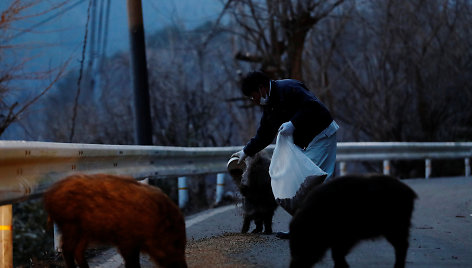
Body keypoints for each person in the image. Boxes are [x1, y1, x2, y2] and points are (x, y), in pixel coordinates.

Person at [231, 71, 339, 238]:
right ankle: (308, 225)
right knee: (297, 183)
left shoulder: (289, 88)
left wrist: (293, 123)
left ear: (261, 88)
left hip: (321, 135)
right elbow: (265, 133)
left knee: (307, 180)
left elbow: (313, 106)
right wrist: (246, 151)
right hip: (306, 142)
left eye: (253, 97)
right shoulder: (269, 105)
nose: (254, 101)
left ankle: (309, 227)